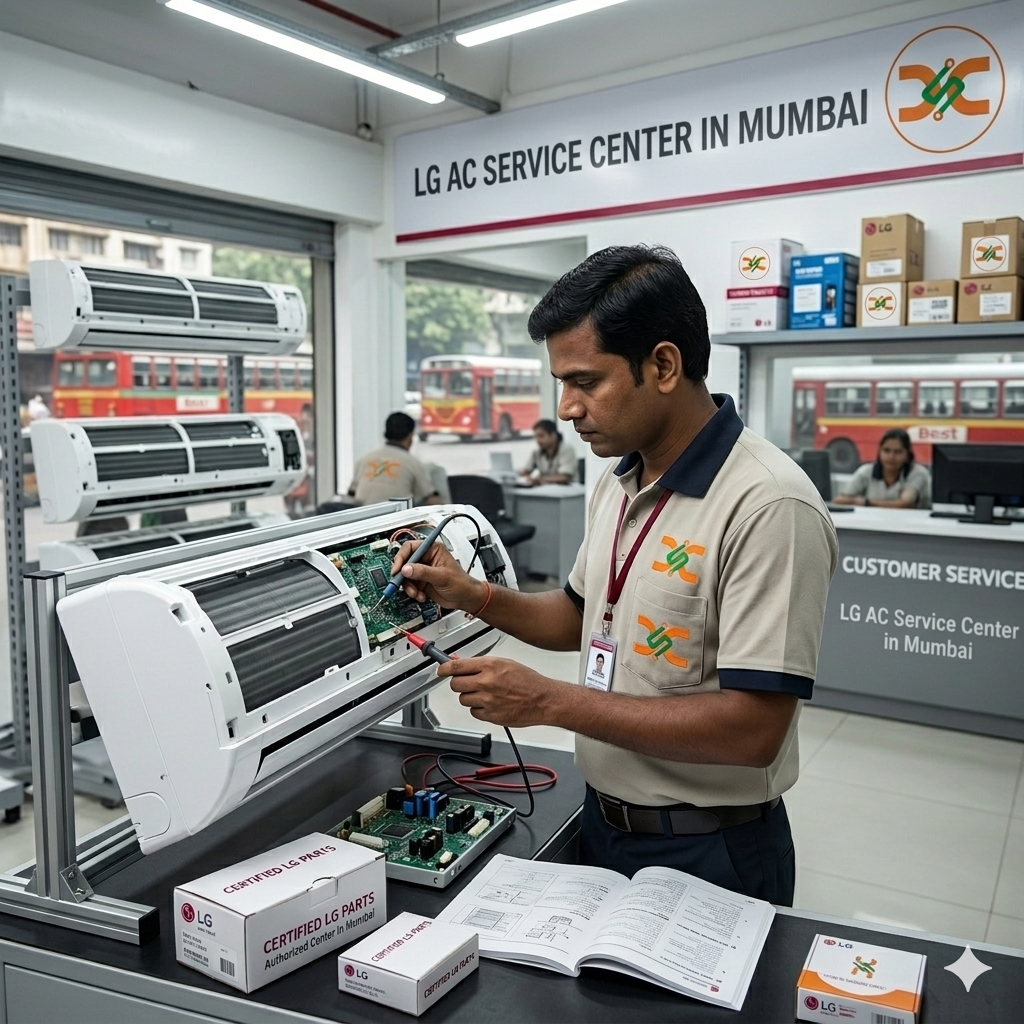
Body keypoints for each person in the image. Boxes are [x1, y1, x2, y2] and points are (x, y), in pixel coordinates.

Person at [392, 245, 837, 905]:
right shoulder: (620, 480)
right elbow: (578, 615)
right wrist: (474, 595)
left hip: (709, 849)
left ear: (662, 365)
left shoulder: (768, 503)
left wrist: (548, 702)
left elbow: (753, 729)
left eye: (586, 381)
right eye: (560, 384)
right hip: (602, 824)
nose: (567, 408)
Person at [348, 411, 443, 507]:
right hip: (396, 518)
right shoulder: (413, 463)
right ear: (410, 436)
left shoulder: (364, 459)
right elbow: (431, 499)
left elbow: (351, 495)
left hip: (363, 518)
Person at [833, 428, 931, 509]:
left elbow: (904, 504)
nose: (891, 457)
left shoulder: (918, 473)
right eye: (886, 450)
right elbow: (839, 500)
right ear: (879, 452)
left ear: (907, 455)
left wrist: (866, 502)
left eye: (898, 452)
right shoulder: (867, 471)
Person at [520, 419, 578, 485]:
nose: (538, 440)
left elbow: (564, 477)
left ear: (553, 435)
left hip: (569, 490)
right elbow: (525, 471)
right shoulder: (536, 452)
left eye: (541, 436)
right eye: (536, 437)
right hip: (547, 490)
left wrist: (540, 479)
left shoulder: (566, 449)